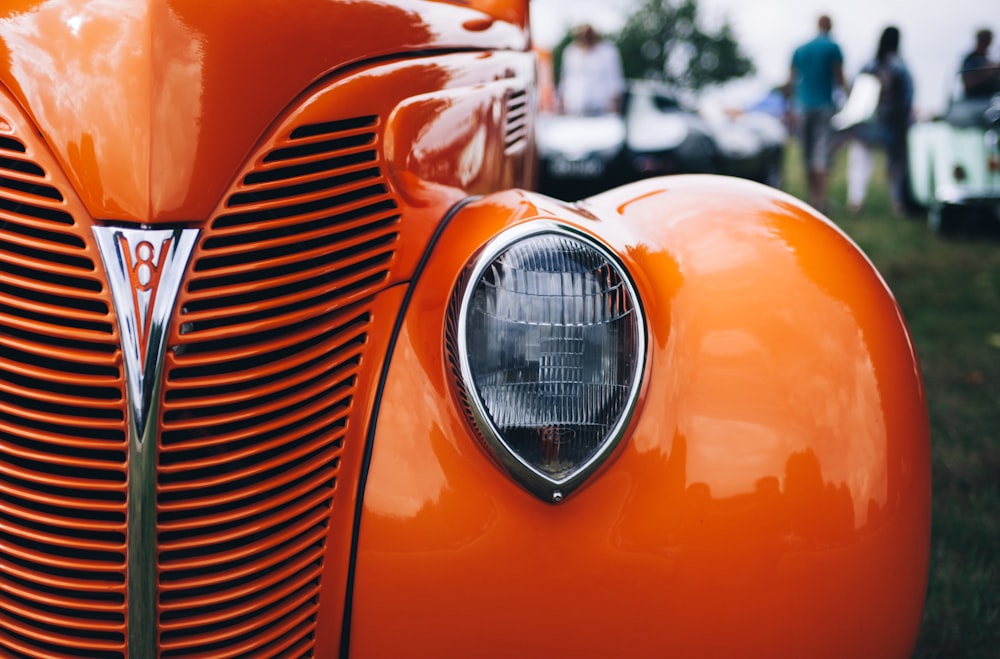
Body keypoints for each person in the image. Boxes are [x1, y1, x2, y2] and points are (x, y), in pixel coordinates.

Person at [844, 26, 914, 216]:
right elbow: (907, 98)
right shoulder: (900, 67)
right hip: (891, 124)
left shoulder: (869, 65)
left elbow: (854, 93)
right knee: (895, 166)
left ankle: (855, 201)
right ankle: (897, 202)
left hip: (865, 123)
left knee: (860, 161)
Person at [785, 15, 846, 213]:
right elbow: (839, 78)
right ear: (829, 26)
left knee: (807, 154)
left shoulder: (801, 49)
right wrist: (849, 100)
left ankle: (810, 199)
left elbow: (790, 81)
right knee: (821, 154)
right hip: (824, 106)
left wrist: (789, 106)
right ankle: (820, 201)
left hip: (803, 107)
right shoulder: (832, 47)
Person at [557, 24, 625, 116]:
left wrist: (615, 106)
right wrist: (562, 103)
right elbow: (565, 78)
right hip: (574, 108)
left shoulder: (608, 51)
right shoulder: (570, 52)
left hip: (602, 108)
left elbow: (615, 79)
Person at [960, 28, 1000, 98]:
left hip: (992, 96)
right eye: (984, 40)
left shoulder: (987, 59)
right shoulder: (970, 60)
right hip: (975, 98)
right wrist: (989, 71)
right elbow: (969, 82)